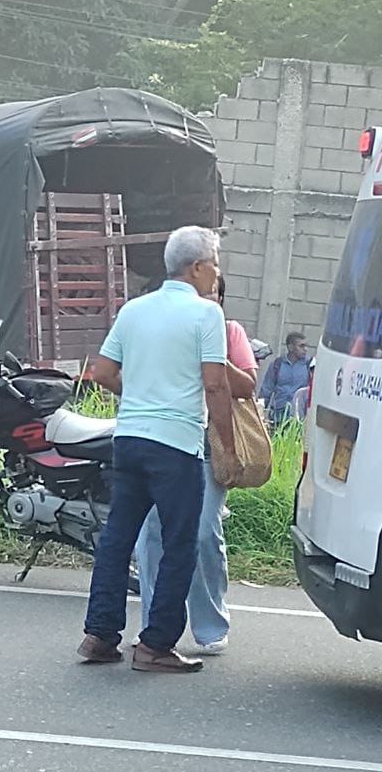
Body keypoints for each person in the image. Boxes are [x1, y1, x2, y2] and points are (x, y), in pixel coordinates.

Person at [77, 226, 238, 675]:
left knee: (117, 539)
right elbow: (215, 383)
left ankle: (100, 635)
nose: (217, 274)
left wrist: (141, 395)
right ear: (199, 266)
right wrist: (225, 446)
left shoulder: (134, 309)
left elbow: (104, 372)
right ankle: (156, 644)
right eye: (216, 264)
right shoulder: (206, 315)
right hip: (176, 446)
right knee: (179, 542)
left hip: (129, 440)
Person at [135, 274, 256, 655]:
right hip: (164, 442)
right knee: (153, 534)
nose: (206, 299)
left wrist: (211, 350)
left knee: (203, 532)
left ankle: (210, 624)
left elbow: (247, 386)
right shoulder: (163, 327)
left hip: (209, 447)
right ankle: (154, 628)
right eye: (200, 292)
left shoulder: (229, 332)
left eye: (213, 294)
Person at [259, 332, 309, 423]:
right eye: (301, 346)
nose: (305, 349)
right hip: (278, 417)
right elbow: (266, 391)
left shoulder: (309, 365)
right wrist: (260, 414)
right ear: (290, 347)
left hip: (299, 418)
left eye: (306, 346)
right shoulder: (277, 365)